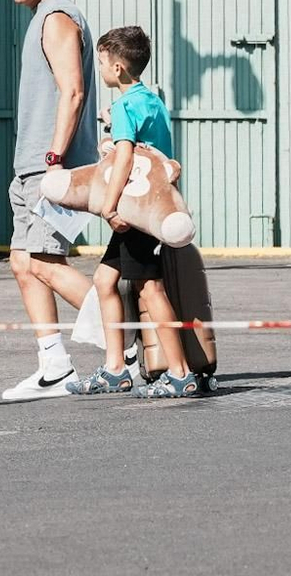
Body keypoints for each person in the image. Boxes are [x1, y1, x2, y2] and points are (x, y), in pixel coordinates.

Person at [68, 26, 201, 399]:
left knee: (149, 287)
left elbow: (125, 155)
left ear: (120, 69)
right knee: (104, 281)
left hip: (133, 212)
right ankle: (115, 369)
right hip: (150, 207)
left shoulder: (127, 106)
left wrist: (107, 206)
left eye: (104, 63)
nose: (102, 69)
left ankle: (179, 372)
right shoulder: (151, 101)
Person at [0, 0, 101, 400]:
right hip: (32, 167)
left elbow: (74, 91)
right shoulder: (40, 16)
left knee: (44, 261)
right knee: (23, 262)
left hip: (53, 168)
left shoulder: (57, 17)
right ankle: (54, 366)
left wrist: (55, 161)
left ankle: (134, 338)